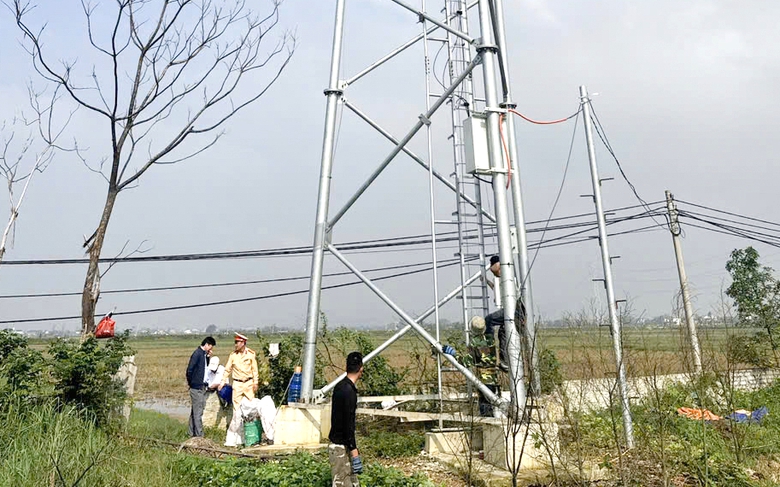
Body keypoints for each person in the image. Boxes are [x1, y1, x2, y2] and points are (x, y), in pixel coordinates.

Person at [219, 333, 270, 447]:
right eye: (235, 342)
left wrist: (255, 382)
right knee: (236, 411)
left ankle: (250, 434)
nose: (236, 344)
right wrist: (222, 382)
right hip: (237, 384)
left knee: (250, 409)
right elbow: (227, 370)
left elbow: (254, 370)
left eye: (237, 342)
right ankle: (235, 438)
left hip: (248, 383)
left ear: (243, 343)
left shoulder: (251, 354)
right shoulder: (233, 355)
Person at [328, 352, 364, 487]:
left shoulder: (340, 386)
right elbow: (348, 422)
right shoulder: (349, 391)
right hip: (341, 447)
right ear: (361, 368)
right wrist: (354, 450)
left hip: (338, 443)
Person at [186, 336, 216, 437]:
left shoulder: (203, 354)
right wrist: (192, 383)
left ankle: (191, 434)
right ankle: (199, 436)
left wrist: (208, 357)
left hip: (201, 386)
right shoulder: (197, 354)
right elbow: (189, 370)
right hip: (196, 387)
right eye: (211, 347)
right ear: (207, 344)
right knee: (198, 413)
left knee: (194, 411)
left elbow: (205, 368)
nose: (211, 349)